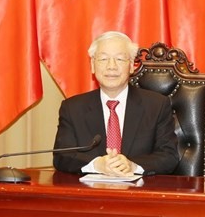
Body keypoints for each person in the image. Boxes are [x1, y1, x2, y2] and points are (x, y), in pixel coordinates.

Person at [53, 31, 179, 176]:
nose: (111, 66)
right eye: (103, 59)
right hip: (90, 194)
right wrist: (96, 164)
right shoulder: (72, 108)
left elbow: (169, 156)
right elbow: (61, 156)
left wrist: (133, 166)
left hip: (139, 193)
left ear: (131, 66)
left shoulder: (157, 105)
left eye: (119, 59)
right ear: (93, 66)